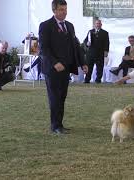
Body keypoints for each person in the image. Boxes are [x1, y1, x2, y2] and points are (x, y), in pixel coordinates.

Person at [39, 0, 88, 134]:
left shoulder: (70, 26)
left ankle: (59, 124)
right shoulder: (45, 26)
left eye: (65, 9)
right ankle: (55, 126)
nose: (64, 12)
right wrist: (55, 63)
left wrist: (83, 62)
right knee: (54, 97)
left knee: (62, 97)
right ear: (54, 10)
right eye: (61, 10)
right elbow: (44, 48)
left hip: (66, 68)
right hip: (52, 69)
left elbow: (76, 46)